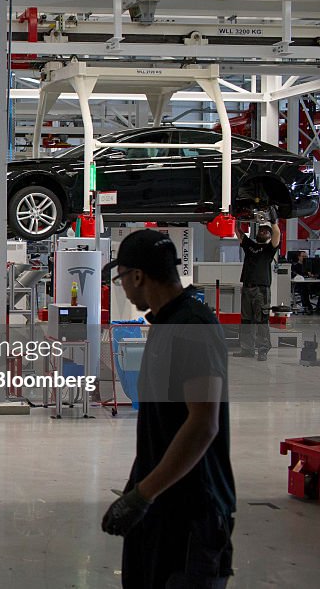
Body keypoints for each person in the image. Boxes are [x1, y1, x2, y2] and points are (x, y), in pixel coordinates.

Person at [101, 229, 235, 589]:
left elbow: (204, 424)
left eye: (121, 278)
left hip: (193, 517)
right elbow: (162, 424)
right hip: (162, 503)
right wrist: (138, 486)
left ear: (138, 276)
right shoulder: (166, 323)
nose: (123, 287)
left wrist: (141, 496)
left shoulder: (193, 326)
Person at [236, 217, 280, 361]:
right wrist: (234, 218)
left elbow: (277, 234)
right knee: (246, 320)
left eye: (266, 231)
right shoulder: (250, 246)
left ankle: (262, 350)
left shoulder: (269, 249)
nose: (263, 232)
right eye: (261, 230)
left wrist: (274, 222)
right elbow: (239, 233)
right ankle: (247, 349)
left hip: (262, 290)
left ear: (269, 235)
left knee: (261, 320)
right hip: (247, 287)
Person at [290, 250, 316, 314]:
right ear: (299, 257)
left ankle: (317, 307)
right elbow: (294, 275)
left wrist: (313, 275)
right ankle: (307, 307)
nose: (305, 258)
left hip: (311, 284)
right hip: (299, 285)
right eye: (303, 256)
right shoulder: (294, 266)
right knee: (304, 289)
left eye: (306, 256)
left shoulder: (310, 265)